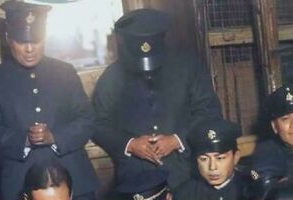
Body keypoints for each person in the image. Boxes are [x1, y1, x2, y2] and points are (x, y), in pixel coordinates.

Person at [0, 1, 98, 200]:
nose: (30, 48)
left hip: (76, 184)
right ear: (7, 40)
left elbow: (88, 120)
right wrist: (24, 140)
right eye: (21, 41)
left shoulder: (65, 72)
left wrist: (55, 137)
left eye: (36, 40)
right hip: (20, 188)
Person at [93, 8, 222, 189]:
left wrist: (177, 139)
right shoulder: (112, 77)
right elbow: (98, 124)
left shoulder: (188, 67)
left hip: (186, 172)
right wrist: (130, 144)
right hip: (136, 177)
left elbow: (210, 111)